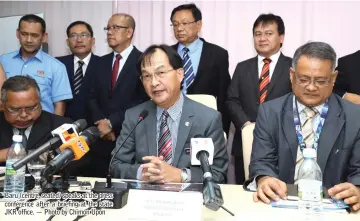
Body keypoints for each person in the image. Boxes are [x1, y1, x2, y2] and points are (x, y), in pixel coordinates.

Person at [247, 42, 360, 211]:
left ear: (334, 78)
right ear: (292, 75)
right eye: (304, 79)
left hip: (332, 208)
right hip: (281, 204)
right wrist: (264, 179)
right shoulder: (270, 112)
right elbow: (262, 162)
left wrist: (357, 188)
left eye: (321, 81)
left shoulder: (354, 116)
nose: (311, 87)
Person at [110, 44, 228, 183]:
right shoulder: (135, 117)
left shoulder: (208, 119)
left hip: (188, 200)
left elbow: (218, 174)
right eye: (146, 76)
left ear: (180, 74)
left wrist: (180, 175)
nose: (154, 83)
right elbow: (115, 165)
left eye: (160, 73)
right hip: (146, 198)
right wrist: (141, 173)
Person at [226, 13, 292, 184]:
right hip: (245, 143)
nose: (262, 38)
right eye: (257, 34)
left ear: (281, 37)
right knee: (244, 193)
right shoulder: (242, 67)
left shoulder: (294, 67)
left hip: (282, 144)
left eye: (268, 33)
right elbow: (232, 100)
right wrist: (247, 126)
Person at [87, 13, 148, 177]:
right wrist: (103, 124)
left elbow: (142, 101)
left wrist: (112, 122)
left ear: (129, 32)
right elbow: (91, 97)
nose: (109, 32)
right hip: (101, 138)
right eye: (108, 28)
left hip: (130, 136)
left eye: (115, 28)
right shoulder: (100, 62)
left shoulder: (143, 61)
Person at [170, 3, 231, 135]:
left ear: (198, 25)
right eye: (175, 24)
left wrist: (222, 130)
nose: (179, 28)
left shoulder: (217, 54)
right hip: (172, 122)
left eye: (185, 23)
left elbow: (223, 96)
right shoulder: (166, 54)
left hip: (206, 122)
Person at [0, 14, 73, 116]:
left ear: (44, 37)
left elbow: (59, 106)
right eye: (24, 34)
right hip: (5, 125)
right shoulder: (2, 61)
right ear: (17, 34)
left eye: (34, 35)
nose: (29, 40)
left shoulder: (56, 67)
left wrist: (54, 130)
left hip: (41, 127)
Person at [0, 76, 71, 166]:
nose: (24, 115)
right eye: (15, 109)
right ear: (3, 105)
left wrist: (27, 154)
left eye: (31, 108)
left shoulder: (63, 127)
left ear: (40, 102)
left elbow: (80, 166)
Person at [56, 21, 100, 122]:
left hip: (94, 128)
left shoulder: (103, 64)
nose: (79, 40)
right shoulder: (58, 64)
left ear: (93, 41)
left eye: (84, 35)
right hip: (63, 126)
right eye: (73, 36)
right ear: (67, 42)